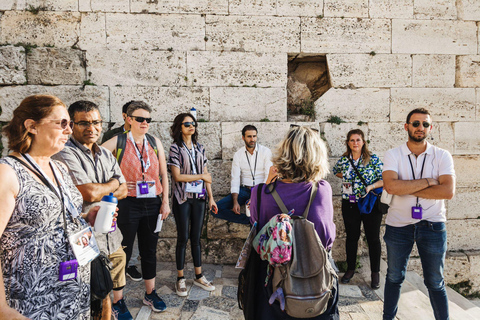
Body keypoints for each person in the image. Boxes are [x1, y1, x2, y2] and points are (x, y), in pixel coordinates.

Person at [0, 95, 100, 319]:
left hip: (74, 295)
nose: (69, 130)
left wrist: (86, 216)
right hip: (31, 303)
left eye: (71, 124)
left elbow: (53, 219)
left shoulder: (59, 167)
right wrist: (2, 308)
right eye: (62, 123)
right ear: (31, 126)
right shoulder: (7, 173)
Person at [53, 100, 133, 320]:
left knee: (116, 277)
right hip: (86, 238)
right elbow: (88, 193)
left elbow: (125, 189)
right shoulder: (65, 153)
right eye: (83, 123)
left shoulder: (106, 154)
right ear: (71, 125)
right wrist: (112, 184)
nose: (91, 128)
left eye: (96, 122)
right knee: (94, 293)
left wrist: (105, 190)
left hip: (112, 235)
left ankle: (118, 307)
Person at [249, 126, 338, 320]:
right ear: (317, 156)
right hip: (315, 285)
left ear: (283, 153)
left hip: (272, 285)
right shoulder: (322, 190)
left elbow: (258, 238)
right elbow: (327, 239)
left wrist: (268, 183)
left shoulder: (258, 193)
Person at [382, 108, 455, 320]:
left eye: (425, 124)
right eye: (415, 123)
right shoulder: (393, 154)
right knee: (394, 277)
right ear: (406, 127)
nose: (420, 128)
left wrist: (405, 186)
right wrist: (427, 182)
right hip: (398, 226)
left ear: (430, 128)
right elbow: (390, 187)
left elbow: (447, 191)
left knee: (435, 281)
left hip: (432, 225)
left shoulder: (442, 155)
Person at [102, 101, 170, 313]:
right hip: (128, 202)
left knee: (149, 250)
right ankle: (118, 300)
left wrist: (165, 201)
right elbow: (94, 157)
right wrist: (115, 185)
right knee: (124, 251)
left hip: (153, 201)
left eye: (148, 119)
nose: (145, 123)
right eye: (140, 119)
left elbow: (163, 174)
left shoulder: (153, 141)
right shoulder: (118, 140)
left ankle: (150, 293)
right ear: (129, 119)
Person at [168, 113, 218, 297]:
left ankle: (198, 275)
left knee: (196, 238)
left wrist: (211, 198)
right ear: (179, 127)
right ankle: (180, 278)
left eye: (193, 123)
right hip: (182, 198)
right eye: (186, 123)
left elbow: (207, 175)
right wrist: (201, 177)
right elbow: (178, 176)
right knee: (183, 238)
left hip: (200, 198)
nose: (191, 126)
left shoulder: (200, 148)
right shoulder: (175, 148)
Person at [333, 129, 384, 289]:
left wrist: (370, 186)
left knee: (373, 239)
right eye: (352, 140)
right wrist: (348, 179)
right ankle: (350, 269)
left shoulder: (372, 159)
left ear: (363, 142)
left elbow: (385, 179)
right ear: (348, 143)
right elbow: (336, 172)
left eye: (358, 140)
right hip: (350, 203)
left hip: (370, 203)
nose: (355, 143)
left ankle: (375, 273)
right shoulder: (344, 159)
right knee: (352, 237)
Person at [101, 100, 142, 282]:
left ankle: (131, 264)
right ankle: (116, 262)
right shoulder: (113, 135)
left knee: (137, 229)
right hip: (117, 189)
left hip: (138, 191)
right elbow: (103, 159)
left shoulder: (143, 135)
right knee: (119, 227)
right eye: (137, 117)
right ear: (126, 116)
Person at [212, 125, 273, 224]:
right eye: (249, 136)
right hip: (245, 190)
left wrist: (256, 197)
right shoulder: (238, 155)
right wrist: (235, 202)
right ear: (243, 137)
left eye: (254, 136)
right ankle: (250, 220)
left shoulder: (265, 152)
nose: (252, 139)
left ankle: (254, 220)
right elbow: (235, 179)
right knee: (216, 209)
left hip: (262, 190)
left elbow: (268, 176)